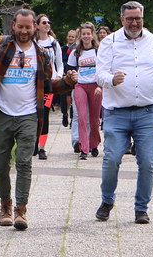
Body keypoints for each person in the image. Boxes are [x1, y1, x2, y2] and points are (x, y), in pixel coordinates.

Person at [0, 9, 78, 231]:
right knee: (0, 164)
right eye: (20, 26)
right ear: (13, 26)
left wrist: (67, 81)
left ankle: (20, 210)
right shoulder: (1, 45)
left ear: (35, 27)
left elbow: (49, 86)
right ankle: (5, 205)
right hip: (2, 115)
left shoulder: (41, 55)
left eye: (28, 27)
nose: (24, 31)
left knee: (25, 162)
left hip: (29, 115)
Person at [94, 1, 153, 225]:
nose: (134, 23)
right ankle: (107, 200)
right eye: (130, 18)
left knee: (148, 162)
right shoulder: (109, 42)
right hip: (117, 112)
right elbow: (99, 74)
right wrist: (111, 79)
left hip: (147, 112)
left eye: (138, 18)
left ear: (143, 18)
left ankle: (141, 208)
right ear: (121, 20)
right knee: (111, 159)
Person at [68, 22, 102, 160]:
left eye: (89, 33)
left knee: (94, 119)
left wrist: (100, 86)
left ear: (93, 35)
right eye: (84, 34)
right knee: (82, 117)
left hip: (95, 86)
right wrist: (72, 74)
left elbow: (104, 69)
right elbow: (69, 69)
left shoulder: (99, 51)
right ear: (80, 36)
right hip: (80, 86)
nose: (86, 36)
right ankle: (83, 148)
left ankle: (94, 144)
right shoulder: (76, 52)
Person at [33, 13, 64, 160]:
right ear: (37, 25)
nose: (47, 25)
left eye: (48, 22)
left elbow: (60, 62)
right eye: (44, 22)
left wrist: (58, 76)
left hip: (48, 84)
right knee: (32, 114)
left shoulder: (53, 43)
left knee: (44, 114)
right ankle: (32, 142)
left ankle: (42, 147)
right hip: (33, 84)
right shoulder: (32, 42)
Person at [58, 29, 78, 128]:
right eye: (69, 36)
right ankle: (64, 113)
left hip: (73, 76)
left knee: (72, 97)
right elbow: (61, 61)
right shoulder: (63, 49)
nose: (70, 38)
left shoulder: (76, 49)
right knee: (63, 96)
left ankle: (72, 118)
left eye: (72, 37)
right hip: (64, 74)